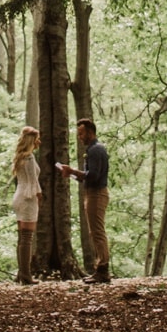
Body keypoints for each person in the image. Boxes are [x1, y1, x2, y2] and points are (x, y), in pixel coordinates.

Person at [58, 118, 111, 283]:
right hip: (92, 193)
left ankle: (103, 270)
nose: (79, 137)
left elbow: (93, 176)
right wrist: (71, 174)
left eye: (81, 133)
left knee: (97, 232)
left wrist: (73, 170)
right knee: (94, 232)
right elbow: (86, 178)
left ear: (90, 132)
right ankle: (99, 268)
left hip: (96, 194)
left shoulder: (95, 150)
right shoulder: (93, 149)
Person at [9, 126, 41, 284]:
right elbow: (33, 181)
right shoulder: (29, 158)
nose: (39, 142)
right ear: (31, 141)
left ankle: (21, 273)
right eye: (37, 139)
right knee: (27, 238)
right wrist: (39, 196)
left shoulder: (20, 157)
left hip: (18, 196)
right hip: (28, 198)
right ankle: (26, 275)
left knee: (22, 238)